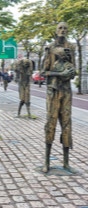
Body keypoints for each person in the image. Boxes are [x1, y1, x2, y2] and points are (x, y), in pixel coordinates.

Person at [41, 22, 76, 173]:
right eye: (60, 28)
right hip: (53, 91)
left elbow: (74, 71)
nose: (63, 30)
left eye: (65, 28)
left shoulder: (71, 47)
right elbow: (44, 72)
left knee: (67, 123)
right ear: (56, 31)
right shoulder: (50, 48)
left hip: (66, 91)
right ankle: (46, 162)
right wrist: (59, 74)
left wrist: (70, 72)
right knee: (51, 122)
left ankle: (66, 163)